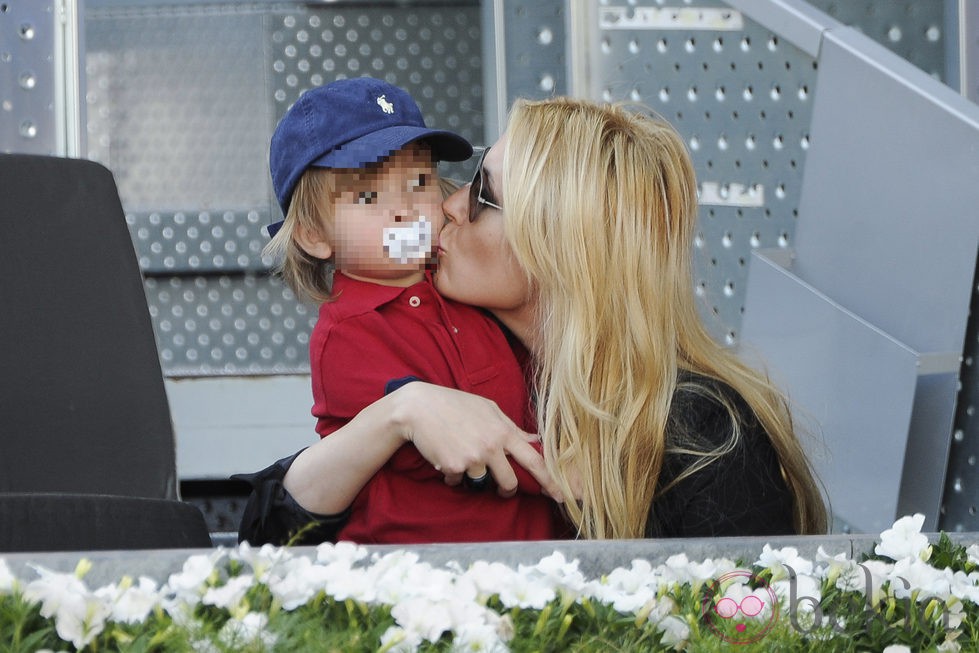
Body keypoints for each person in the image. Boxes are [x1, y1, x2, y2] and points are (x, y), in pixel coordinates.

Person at [239, 96, 827, 544]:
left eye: (481, 193)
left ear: (562, 244)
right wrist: (399, 413)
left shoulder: (706, 436)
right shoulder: (442, 337)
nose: (443, 205)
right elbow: (269, 536)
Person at [238, 78, 561, 544]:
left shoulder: (467, 289)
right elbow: (450, 446)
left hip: (526, 559)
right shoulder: (348, 331)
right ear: (313, 235)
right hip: (413, 569)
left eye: (419, 182)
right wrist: (561, 471)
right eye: (369, 197)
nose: (406, 209)